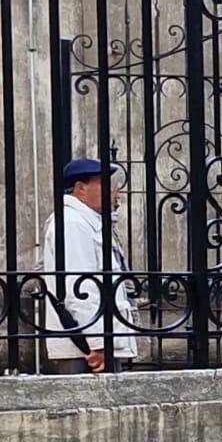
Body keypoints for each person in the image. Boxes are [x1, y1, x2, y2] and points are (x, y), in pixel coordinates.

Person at [41, 158, 137, 374]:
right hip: (85, 349)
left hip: (94, 344)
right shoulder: (72, 223)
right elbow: (79, 289)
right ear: (81, 188)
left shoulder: (86, 222)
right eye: (106, 185)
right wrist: (99, 344)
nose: (116, 193)